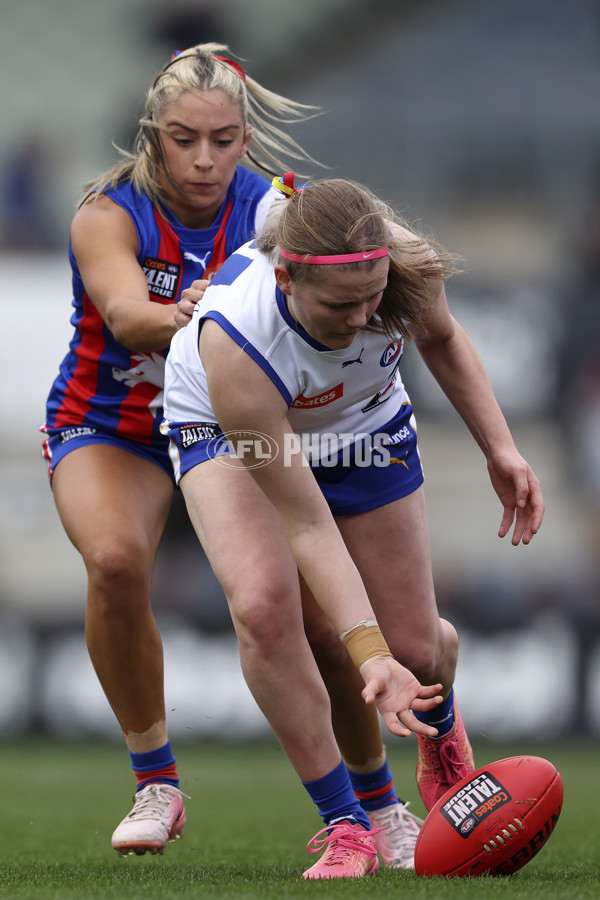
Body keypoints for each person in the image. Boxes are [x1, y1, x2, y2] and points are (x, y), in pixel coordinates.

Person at [40, 45, 420, 865]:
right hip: (118, 422)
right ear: (153, 136)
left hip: (238, 422)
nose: (205, 159)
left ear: (248, 137)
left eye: (224, 139)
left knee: (319, 616)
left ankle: (380, 809)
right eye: (184, 139)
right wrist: (207, 313)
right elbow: (127, 315)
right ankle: (157, 781)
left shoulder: (281, 209)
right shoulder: (107, 212)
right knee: (113, 560)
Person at [161, 174, 545, 879]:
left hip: (364, 424)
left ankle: (438, 719)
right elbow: (307, 523)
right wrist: (367, 656)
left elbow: (444, 339)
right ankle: (352, 821)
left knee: (416, 650)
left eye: (374, 298)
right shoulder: (235, 342)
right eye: (342, 304)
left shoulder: (404, 265)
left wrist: (501, 448)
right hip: (227, 428)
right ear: (286, 276)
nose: (363, 314)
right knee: (268, 609)